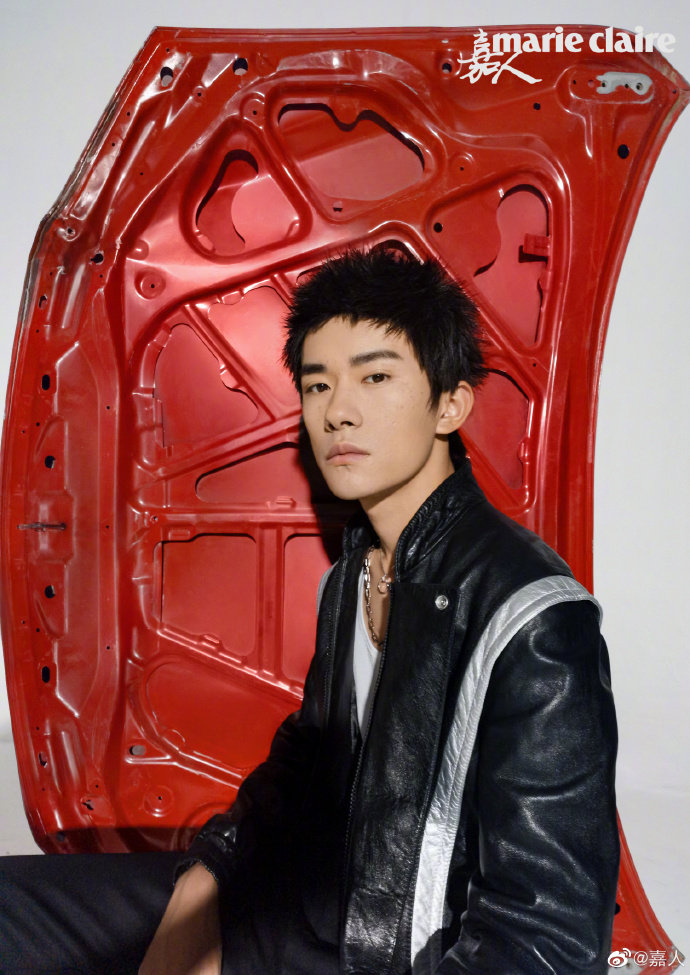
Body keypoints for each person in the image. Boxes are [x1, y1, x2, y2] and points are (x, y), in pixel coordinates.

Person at [0, 247, 618, 975]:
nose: (337, 411)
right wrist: (209, 874)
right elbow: (307, 761)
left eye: (376, 377)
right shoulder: (353, 574)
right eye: (318, 384)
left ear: (451, 403)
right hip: (294, 903)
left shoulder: (534, 618)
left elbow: (547, 938)